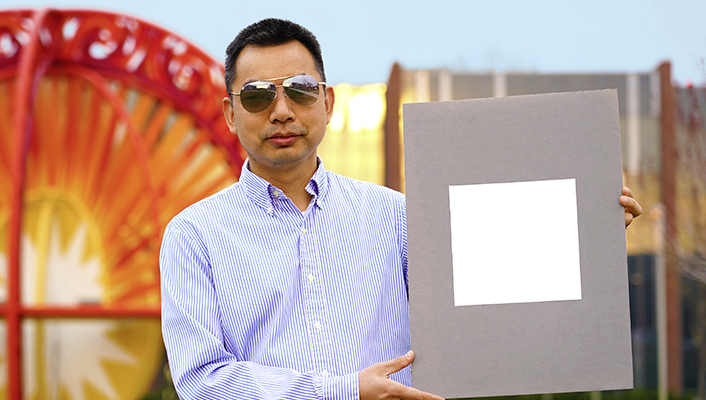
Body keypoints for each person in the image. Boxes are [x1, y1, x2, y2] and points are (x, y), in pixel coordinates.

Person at [159, 18, 643, 400]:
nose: (281, 110)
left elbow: (482, 284)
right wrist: (347, 393)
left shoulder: (396, 216)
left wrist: (581, 226)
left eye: (300, 90)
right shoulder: (193, 236)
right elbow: (202, 383)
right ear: (230, 113)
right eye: (258, 95)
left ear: (327, 102)